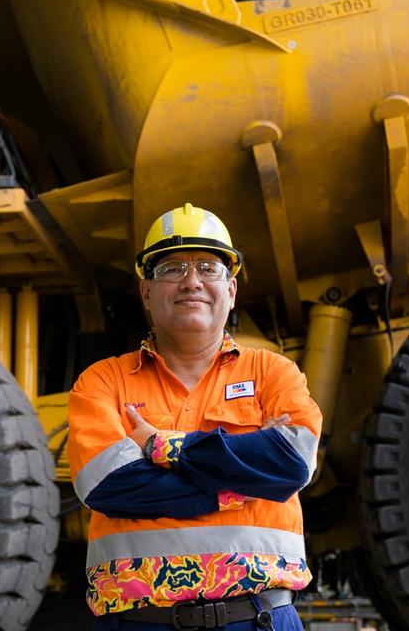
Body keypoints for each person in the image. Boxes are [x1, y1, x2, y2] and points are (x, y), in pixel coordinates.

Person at [68, 203, 321, 630]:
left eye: (208, 267)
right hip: (138, 623)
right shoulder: (103, 381)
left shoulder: (273, 373)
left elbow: (293, 463)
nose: (191, 282)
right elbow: (108, 484)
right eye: (170, 269)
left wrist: (159, 445)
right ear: (147, 292)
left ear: (231, 290)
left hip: (258, 619)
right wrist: (237, 487)